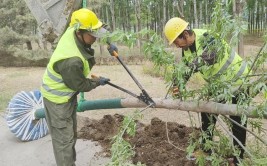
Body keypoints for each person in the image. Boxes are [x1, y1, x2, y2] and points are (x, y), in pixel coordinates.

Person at [164, 17, 249, 166]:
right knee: (206, 111)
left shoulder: (207, 37)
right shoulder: (186, 50)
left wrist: (191, 67)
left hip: (239, 79)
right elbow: (184, 71)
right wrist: (178, 84)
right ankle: (206, 149)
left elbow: (210, 57)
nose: (177, 46)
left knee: (237, 118)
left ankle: (238, 160)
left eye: (177, 42)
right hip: (220, 85)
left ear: (185, 34)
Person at [40, 8, 117, 166]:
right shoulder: (71, 60)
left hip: (67, 95)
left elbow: (101, 27)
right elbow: (81, 84)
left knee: (70, 135)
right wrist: (98, 82)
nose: (96, 38)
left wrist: (110, 41)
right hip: (57, 100)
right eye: (93, 35)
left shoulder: (75, 27)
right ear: (80, 32)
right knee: (64, 143)